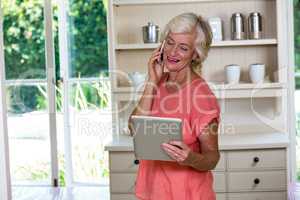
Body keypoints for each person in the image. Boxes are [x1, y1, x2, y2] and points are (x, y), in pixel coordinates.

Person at [128, 12, 220, 200]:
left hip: (188, 194)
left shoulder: (201, 95)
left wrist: (190, 158)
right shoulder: (158, 82)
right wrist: (152, 81)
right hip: (152, 192)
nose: (172, 52)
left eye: (183, 48)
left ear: (195, 54)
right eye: (169, 42)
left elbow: (212, 158)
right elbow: (133, 128)